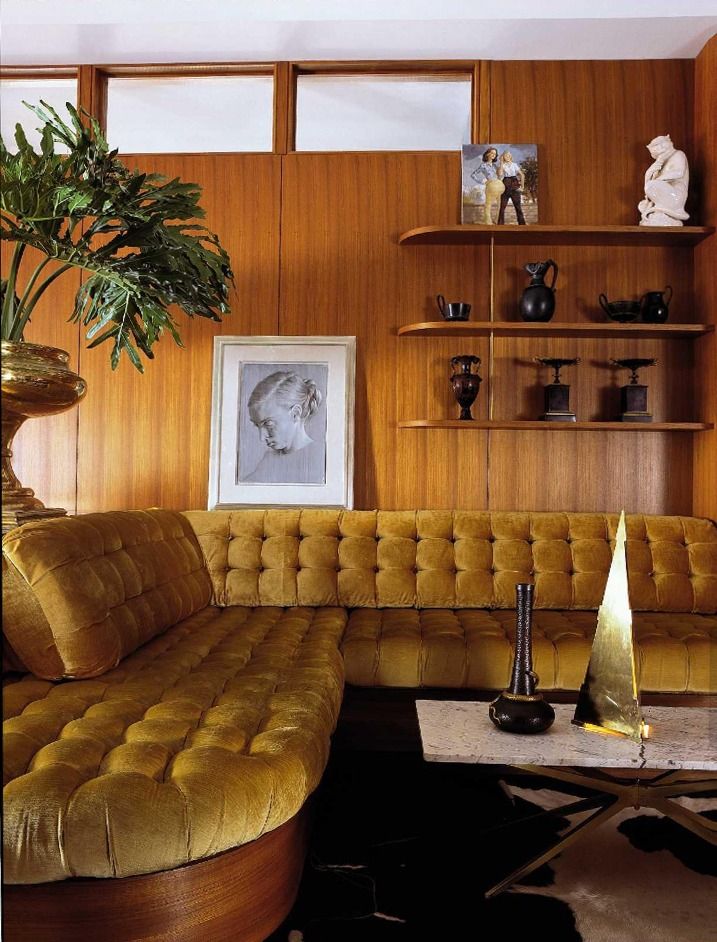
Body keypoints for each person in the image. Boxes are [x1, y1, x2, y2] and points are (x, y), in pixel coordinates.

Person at [243, 371, 325, 484]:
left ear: (295, 414)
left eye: (268, 424)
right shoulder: (269, 460)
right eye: (257, 426)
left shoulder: (318, 458)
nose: (262, 437)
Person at [638, 134, 689, 226]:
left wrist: (658, 179)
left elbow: (679, 172)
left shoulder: (678, 154)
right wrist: (649, 172)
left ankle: (662, 212)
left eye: (655, 151)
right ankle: (657, 212)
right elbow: (648, 187)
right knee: (645, 199)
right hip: (665, 195)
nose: (655, 155)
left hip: (676, 196)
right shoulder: (661, 164)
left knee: (651, 185)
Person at [470, 147, 505, 223]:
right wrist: (481, 181)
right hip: (491, 185)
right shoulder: (483, 166)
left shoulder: (495, 166)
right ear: (487, 154)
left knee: (500, 205)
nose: (493, 155)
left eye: (495, 154)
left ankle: (497, 220)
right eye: (492, 153)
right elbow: (473, 175)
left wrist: (501, 163)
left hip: (499, 185)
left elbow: (501, 176)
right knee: (488, 204)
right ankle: (488, 222)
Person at [497, 150, 526, 225]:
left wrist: (522, 187)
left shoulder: (514, 165)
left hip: (514, 183)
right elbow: (500, 175)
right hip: (505, 184)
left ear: (510, 157)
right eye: (505, 155)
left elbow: (522, 175)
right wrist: (501, 163)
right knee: (502, 207)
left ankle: (522, 224)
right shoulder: (502, 165)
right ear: (503, 157)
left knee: (518, 207)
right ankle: (500, 225)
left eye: (508, 155)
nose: (507, 157)